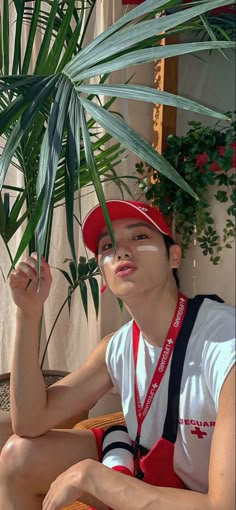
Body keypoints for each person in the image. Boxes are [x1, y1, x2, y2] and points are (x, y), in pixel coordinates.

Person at [0, 199, 235, 510]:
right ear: (103, 273)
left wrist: (92, 477)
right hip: (153, 475)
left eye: (139, 237)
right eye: (108, 245)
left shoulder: (223, 344)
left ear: (173, 256)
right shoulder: (118, 347)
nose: (122, 251)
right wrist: (28, 315)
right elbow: (29, 422)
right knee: (19, 456)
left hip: (206, 499)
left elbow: (223, 505)